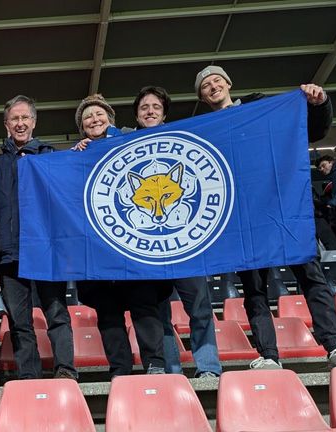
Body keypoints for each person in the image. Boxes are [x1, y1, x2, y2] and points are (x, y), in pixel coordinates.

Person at [195, 64, 336, 369]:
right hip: (243, 219)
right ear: (202, 96)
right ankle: (269, 356)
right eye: (205, 85)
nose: (213, 86)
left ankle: (335, 347)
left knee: (312, 277)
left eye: (217, 79)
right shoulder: (205, 127)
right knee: (254, 289)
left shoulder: (262, 107)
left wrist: (319, 102)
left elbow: (312, 130)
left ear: (229, 83)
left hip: (284, 208)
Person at [72, 94, 173, 377]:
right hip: (98, 250)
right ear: (82, 126)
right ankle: (120, 369)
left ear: (110, 118)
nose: (94, 120)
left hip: (132, 244)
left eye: (99, 114)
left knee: (145, 305)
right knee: (109, 313)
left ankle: (155, 363)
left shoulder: (132, 140)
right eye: (88, 117)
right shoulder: (77, 154)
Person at [131, 86, 222, 378]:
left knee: (199, 308)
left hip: (186, 244)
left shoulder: (183, 139)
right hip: (148, 249)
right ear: (137, 114)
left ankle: (208, 367)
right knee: (158, 315)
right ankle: (170, 371)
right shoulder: (124, 143)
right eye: (144, 107)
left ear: (164, 112)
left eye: (156, 106)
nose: (150, 111)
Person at [0, 95, 77, 380]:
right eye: (14, 119)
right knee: (19, 322)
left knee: (56, 314)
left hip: (47, 251)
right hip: (10, 253)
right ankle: (29, 376)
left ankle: (65, 369)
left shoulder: (52, 157)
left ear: (33, 122)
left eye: (24, 118)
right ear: (6, 125)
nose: (19, 123)